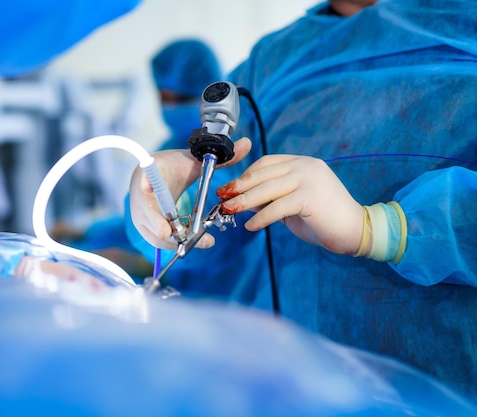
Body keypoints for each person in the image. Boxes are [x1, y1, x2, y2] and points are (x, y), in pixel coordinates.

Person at [125, 0, 477, 401]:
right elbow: (221, 218)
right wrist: (174, 204)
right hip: (294, 392)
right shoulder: (271, 64)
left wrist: (377, 229)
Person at [53, 38, 224, 282]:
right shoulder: (170, 149)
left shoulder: (227, 157)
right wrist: (84, 231)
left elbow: (218, 242)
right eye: (165, 98)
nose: (171, 107)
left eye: (183, 99)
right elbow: (139, 215)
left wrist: (139, 264)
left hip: (214, 293)